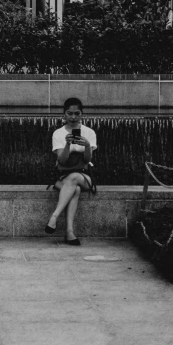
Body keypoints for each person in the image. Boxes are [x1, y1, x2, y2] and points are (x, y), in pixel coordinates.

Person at [45, 97, 97, 246]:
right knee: (75, 190)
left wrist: (87, 146)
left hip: (84, 176)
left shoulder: (89, 132)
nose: (73, 117)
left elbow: (87, 160)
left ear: (81, 114)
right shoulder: (58, 134)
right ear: (64, 114)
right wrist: (67, 144)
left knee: (75, 178)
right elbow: (62, 161)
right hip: (63, 177)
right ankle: (69, 233)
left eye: (77, 113)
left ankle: (54, 217)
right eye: (69, 113)